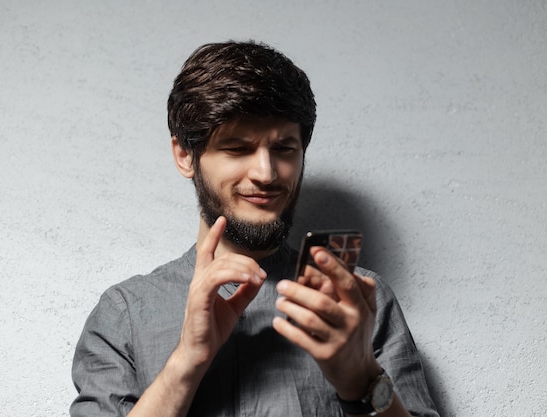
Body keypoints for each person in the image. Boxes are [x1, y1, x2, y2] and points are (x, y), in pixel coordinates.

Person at [70, 40, 439, 417]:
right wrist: (186, 362)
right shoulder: (126, 314)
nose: (266, 173)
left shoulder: (359, 303)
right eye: (237, 148)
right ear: (185, 156)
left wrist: (361, 378)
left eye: (284, 149)